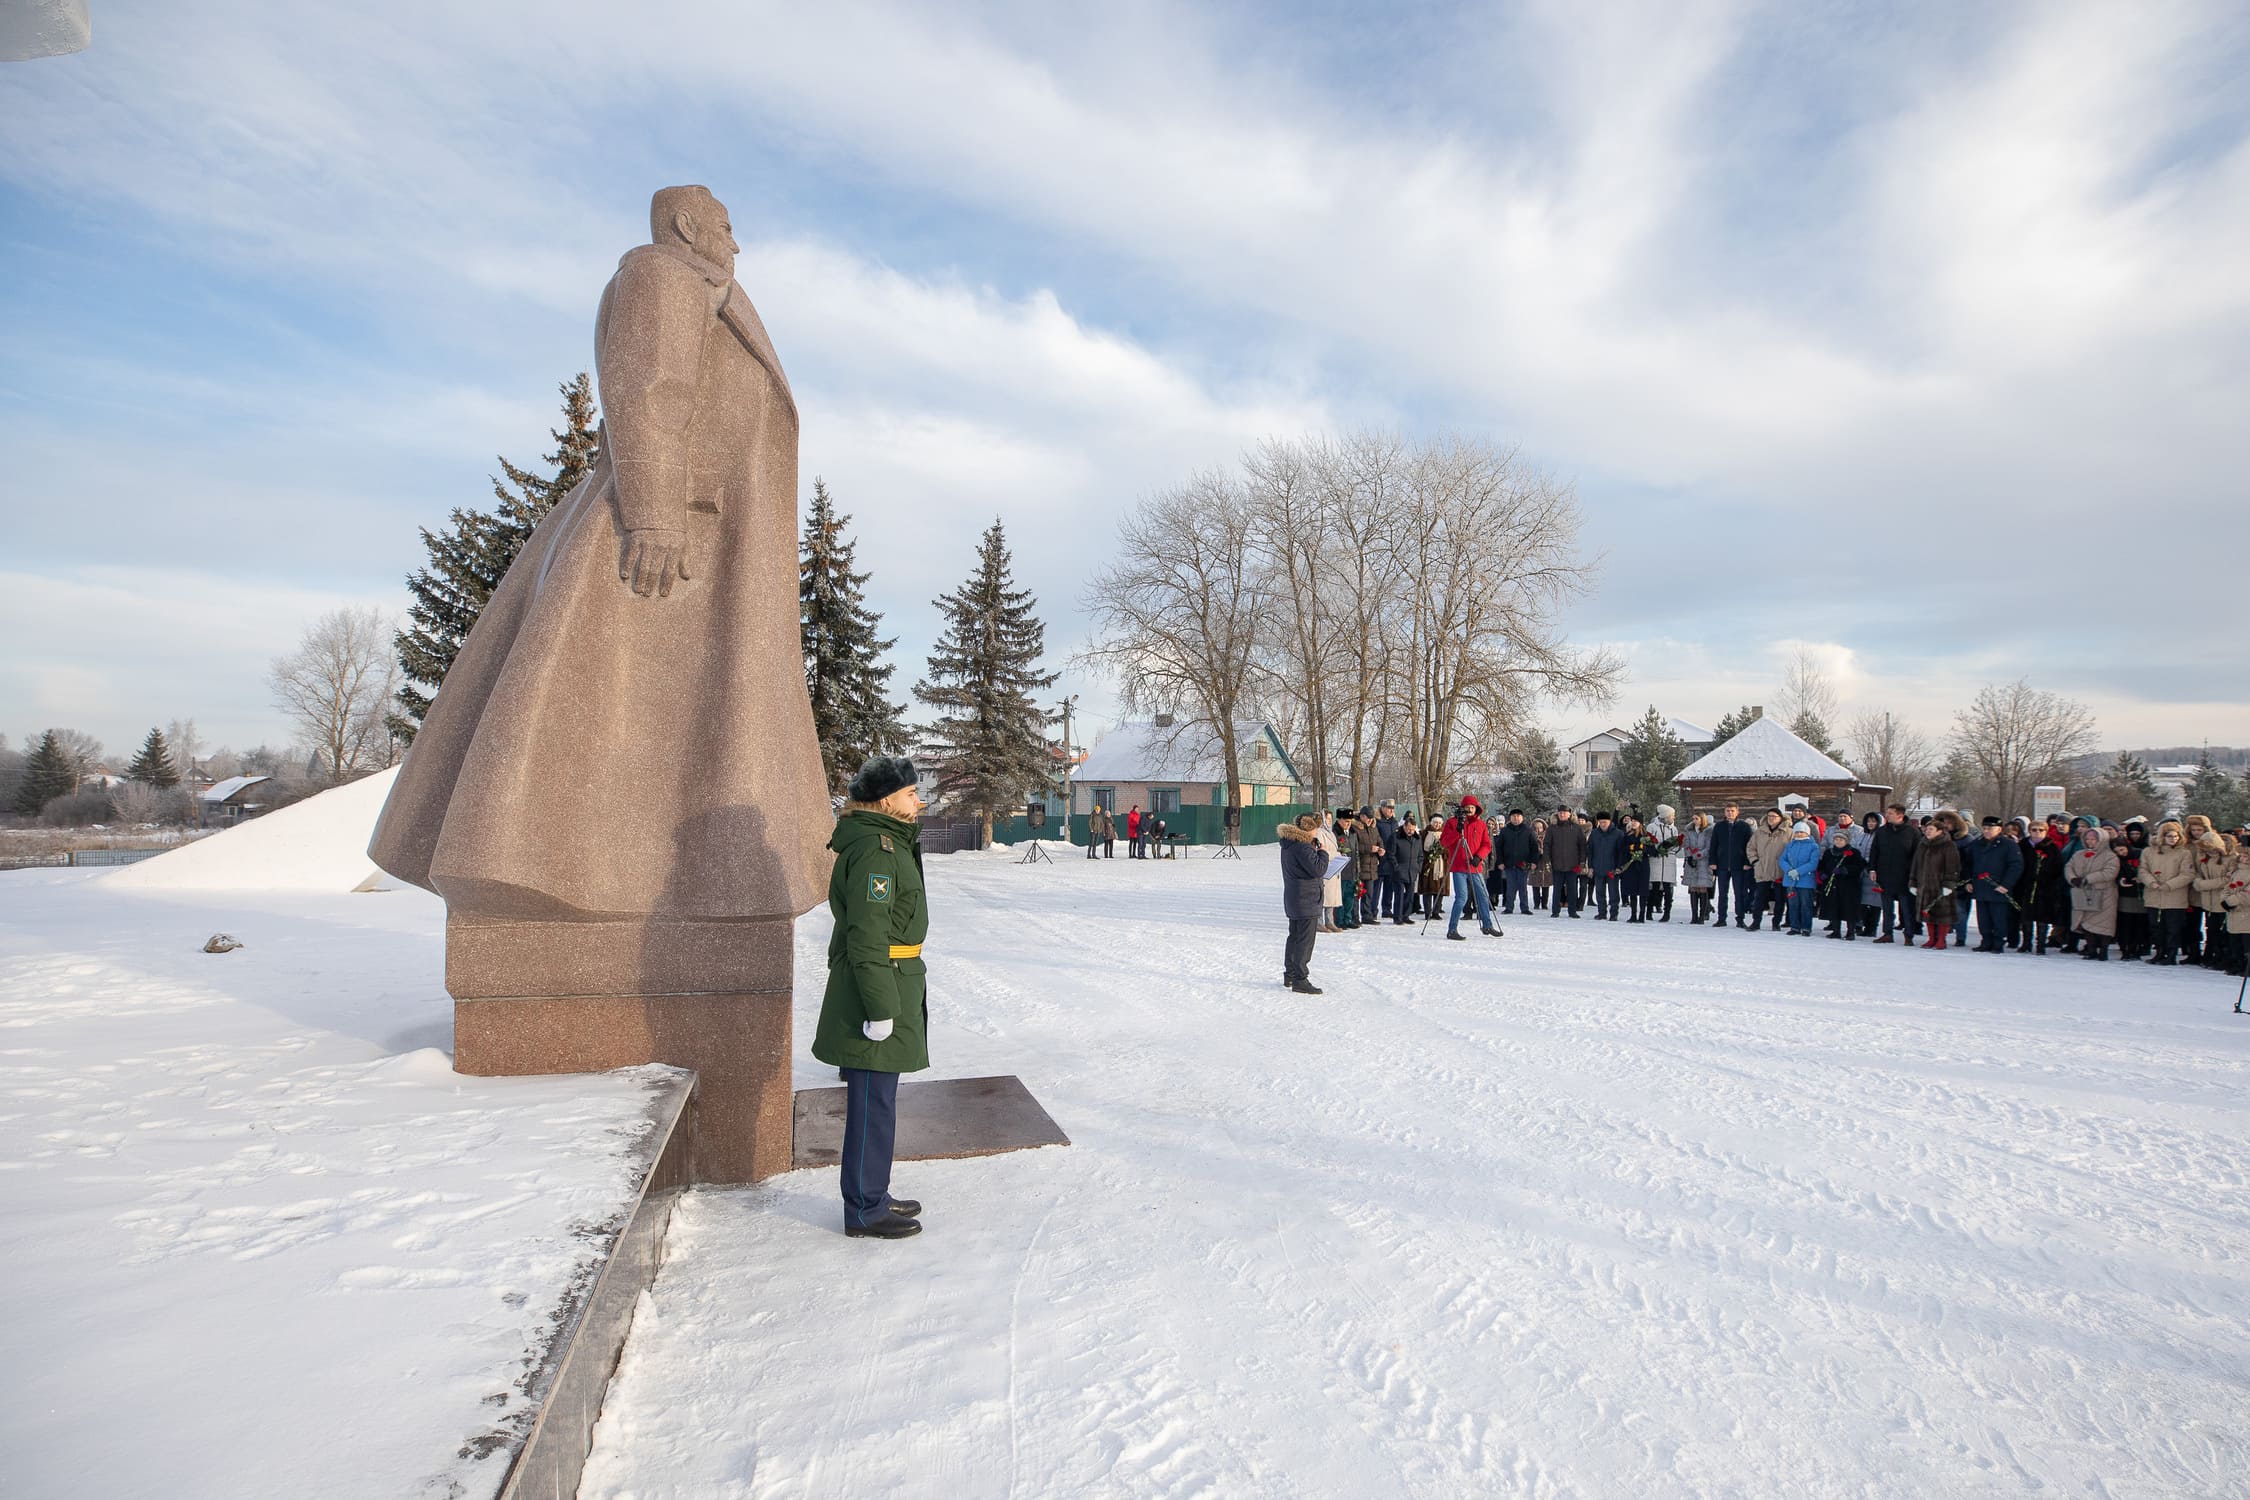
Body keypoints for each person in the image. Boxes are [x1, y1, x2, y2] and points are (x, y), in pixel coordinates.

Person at [811, 756, 930, 1241]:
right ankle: (863, 1207)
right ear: (885, 800)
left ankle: (872, 1192)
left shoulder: (887, 842)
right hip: (877, 988)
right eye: (910, 793)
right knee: (871, 1106)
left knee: (879, 1101)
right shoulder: (879, 852)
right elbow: (866, 935)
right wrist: (881, 1010)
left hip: (893, 977)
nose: (918, 800)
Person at [1277, 812, 1328, 994]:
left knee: (1294, 937)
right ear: (1309, 828)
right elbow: (1318, 869)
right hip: (1306, 899)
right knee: (1305, 941)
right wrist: (1322, 853)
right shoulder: (1303, 847)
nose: (1317, 832)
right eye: (1316, 828)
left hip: (1294, 898)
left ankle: (1290, 974)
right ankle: (1300, 979)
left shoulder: (1290, 844)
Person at [1441, 796, 1501, 940]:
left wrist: (1479, 856)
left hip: (1475, 866)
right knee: (1462, 897)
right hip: (1459, 866)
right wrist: (1457, 831)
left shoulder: (1481, 825)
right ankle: (1452, 929)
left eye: (1472, 808)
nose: (1469, 810)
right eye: (1467, 807)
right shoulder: (1452, 822)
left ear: (1476, 809)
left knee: (1483, 896)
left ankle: (1487, 925)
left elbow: (1487, 844)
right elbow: (1444, 842)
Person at [1964, 816, 2025, 953]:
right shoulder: (1977, 844)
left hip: (1999, 887)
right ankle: (1986, 941)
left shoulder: (2008, 845)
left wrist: (2006, 884)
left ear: (1999, 829)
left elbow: (2016, 866)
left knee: (1999, 918)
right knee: (1983, 918)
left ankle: (1998, 942)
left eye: (1990, 828)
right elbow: (1968, 864)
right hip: (1980, 886)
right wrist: (1969, 881)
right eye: (1984, 828)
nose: (1986, 831)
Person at [2140, 820, 2194, 965]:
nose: (2173, 839)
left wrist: (2169, 885)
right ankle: (2159, 952)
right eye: (2169, 836)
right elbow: (2143, 870)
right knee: (2156, 926)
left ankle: (2171, 954)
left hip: (2174, 896)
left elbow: (2187, 874)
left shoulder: (2184, 853)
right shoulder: (2148, 852)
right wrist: (2151, 882)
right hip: (2154, 894)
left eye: (2175, 836)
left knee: (2172, 928)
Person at [2064, 823, 2119, 960]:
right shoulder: (2078, 854)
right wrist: (2073, 879)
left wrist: (2089, 878)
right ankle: (2091, 949)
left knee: (2104, 924)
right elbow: (2068, 867)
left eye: (2093, 839)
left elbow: (2109, 873)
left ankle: (2103, 951)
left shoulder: (2110, 856)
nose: (2090, 842)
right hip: (2083, 894)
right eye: (2088, 839)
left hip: (2104, 895)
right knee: (2086, 923)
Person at [1869, 803, 1921, 944]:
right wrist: (1872, 869)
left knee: (1906, 908)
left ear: (1900, 815)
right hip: (1885, 874)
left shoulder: (1912, 832)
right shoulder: (1882, 831)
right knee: (1887, 908)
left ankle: (1909, 935)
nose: (1887, 815)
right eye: (1887, 813)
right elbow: (1874, 851)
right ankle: (1887, 933)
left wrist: (1914, 874)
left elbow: (1918, 855)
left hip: (1905, 876)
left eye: (1891, 813)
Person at [1911, 817, 1962, 950]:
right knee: (1927, 913)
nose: (1927, 832)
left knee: (1941, 914)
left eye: (1931, 830)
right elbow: (1915, 865)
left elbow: (1953, 867)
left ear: (1940, 831)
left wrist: (1949, 884)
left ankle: (1941, 940)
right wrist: (1913, 882)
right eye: (1927, 829)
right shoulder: (1923, 844)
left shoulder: (1948, 845)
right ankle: (1931, 938)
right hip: (1924, 885)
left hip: (1940, 885)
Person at [2192, 828, 2235, 971]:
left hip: (2222, 899)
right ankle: (2210, 955)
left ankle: (2221, 957)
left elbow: (2228, 879)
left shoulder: (2230, 858)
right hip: (2207, 900)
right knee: (2210, 929)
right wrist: (2200, 883)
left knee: (2221, 931)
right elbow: (2198, 875)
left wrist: (2205, 885)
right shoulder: (2203, 858)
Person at [1816, 827, 1865, 940]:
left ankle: (1850, 931)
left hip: (1848, 886)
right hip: (1832, 884)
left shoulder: (1853, 852)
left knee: (1849, 908)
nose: (1838, 842)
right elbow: (1822, 865)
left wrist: (1845, 870)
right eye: (1836, 839)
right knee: (1834, 907)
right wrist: (1823, 873)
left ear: (1846, 841)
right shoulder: (1829, 852)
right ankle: (1836, 930)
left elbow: (1859, 866)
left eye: (1841, 839)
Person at [1709, 803, 1754, 929]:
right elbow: (1713, 845)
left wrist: (1747, 862)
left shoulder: (1744, 827)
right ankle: (1721, 918)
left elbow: (1749, 846)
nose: (1730, 813)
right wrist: (1712, 861)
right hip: (1722, 864)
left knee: (1740, 893)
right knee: (1722, 893)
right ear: (1724, 812)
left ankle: (1740, 919)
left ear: (1737, 812)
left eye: (1732, 811)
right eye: (1728, 811)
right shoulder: (1719, 826)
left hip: (1739, 865)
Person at [1748, 810, 1791, 933]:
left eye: (1774, 816)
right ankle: (1756, 921)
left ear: (1780, 818)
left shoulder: (1788, 832)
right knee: (1759, 897)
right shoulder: (1759, 832)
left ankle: (1776, 922)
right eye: (1769, 816)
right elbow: (1751, 848)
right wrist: (1755, 861)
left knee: (1780, 898)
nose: (1771, 818)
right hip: (1763, 868)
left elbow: (1792, 850)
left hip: (1780, 870)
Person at [1779, 820, 1821, 935]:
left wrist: (1798, 871)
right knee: (1793, 905)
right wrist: (1789, 870)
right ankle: (1794, 926)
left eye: (1802, 832)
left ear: (1807, 833)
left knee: (1806, 905)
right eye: (1797, 832)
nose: (1799, 834)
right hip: (1791, 880)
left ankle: (1806, 927)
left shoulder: (1813, 847)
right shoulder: (1790, 845)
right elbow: (1782, 859)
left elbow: (1813, 863)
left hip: (1805, 881)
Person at [1546, 806, 1589, 918]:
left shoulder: (1576, 828)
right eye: (1560, 812)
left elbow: (1582, 846)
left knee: (1572, 889)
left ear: (1570, 814)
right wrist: (1547, 860)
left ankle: (1572, 911)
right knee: (1557, 889)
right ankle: (1555, 911)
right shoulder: (1552, 828)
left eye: (1565, 813)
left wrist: (1582, 861)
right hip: (1557, 864)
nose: (1562, 814)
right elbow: (1547, 845)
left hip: (1573, 864)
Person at [2114, 825, 2148, 960]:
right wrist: (2119, 879)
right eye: (2117, 851)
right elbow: (2115, 872)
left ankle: (2137, 947)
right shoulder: (2117, 859)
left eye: (2122, 850)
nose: (2120, 853)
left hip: (2140, 894)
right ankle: (2125, 948)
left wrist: (2142, 878)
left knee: (2139, 923)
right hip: (2125, 894)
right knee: (2125, 923)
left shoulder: (2140, 854)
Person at [1495, 808, 1538, 915]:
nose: (1516, 818)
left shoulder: (1528, 830)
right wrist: (1500, 862)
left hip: (1524, 863)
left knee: (1523, 887)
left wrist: (1534, 862)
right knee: (1510, 887)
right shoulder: (1505, 831)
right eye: (1514, 816)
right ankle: (1509, 907)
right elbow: (1498, 848)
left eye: (1518, 816)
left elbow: (1534, 847)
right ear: (1510, 818)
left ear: (1522, 818)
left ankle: (1524, 907)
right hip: (1509, 863)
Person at [1587, 810, 1626, 921]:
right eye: (1601, 822)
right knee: (1599, 892)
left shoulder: (1618, 834)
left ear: (1609, 822)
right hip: (1598, 867)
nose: (1603, 824)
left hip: (1612, 869)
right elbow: (1590, 851)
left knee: (1613, 893)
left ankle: (1614, 914)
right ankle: (1601, 913)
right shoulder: (1594, 833)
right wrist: (1590, 866)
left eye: (1605, 822)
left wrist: (1619, 867)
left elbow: (1621, 852)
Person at [1385, 813, 1424, 925]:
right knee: (1399, 895)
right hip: (1399, 871)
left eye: (1412, 829)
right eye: (1408, 829)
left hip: (1412, 871)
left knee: (1410, 895)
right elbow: (1390, 854)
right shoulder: (1395, 837)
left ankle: (1406, 915)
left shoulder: (1417, 839)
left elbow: (1421, 855)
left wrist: (1418, 867)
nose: (1410, 831)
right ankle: (1398, 917)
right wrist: (1396, 867)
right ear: (1404, 827)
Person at [1646, 804, 1681, 922]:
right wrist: (1654, 849)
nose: (1673, 818)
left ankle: (1667, 913)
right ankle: (1649, 911)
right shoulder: (1652, 827)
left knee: (1668, 889)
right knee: (1654, 888)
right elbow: (1647, 842)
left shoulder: (1673, 829)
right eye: (1672, 815)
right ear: (1665, 816)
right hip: (1656, 860)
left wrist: (1671, 846)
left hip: (1668, 861)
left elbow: (1677, 845)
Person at [1682, 812, 1715, 924]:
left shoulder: (1708, 832)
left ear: (1702, 819)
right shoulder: (1690, 832)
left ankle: (1702, 915)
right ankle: (1694, 915)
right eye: (1693, 818)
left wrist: (1697, 855)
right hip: (1691, 863)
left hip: (1703, 863)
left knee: (1702, 888)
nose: (1694, 820)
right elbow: (1686, 845)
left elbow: (1708, 847)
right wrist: (1689, 856)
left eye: (1696, 818)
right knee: (1693, 888)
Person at [1619, 814, 1653, 922]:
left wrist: (1644, 850)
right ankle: (1633, 915)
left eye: (1636, 821)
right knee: (1632, 891)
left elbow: (1652, 851)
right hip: (1631, 866)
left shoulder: (1646, 836)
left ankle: (1642, 915)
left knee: (1642, 891)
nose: (1633, 823)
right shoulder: (1628, 835)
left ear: (1640, 823)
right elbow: (1622, 850)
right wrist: (1630, 849)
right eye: (1632, 821)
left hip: (1643, 866)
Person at [1315, 811, 1344, 932]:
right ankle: (1319, 922)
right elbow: (1322, 849)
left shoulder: (1330, 833)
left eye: (1331, 819)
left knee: (1331, 897)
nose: (1329, 821)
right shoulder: (1319, 833)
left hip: (1333, 868)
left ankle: (1330, 921)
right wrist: (1336, 855)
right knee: (1323, 897)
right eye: (1327, 818)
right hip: (1325, 867)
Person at [1419, 815, 1450, 919]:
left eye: (1439, 823)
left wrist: (1443, 851)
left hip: (1442, 864)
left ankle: (1436, 911)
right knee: (1428, 889)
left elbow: (1449, 849)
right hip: (1428, 864)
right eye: (1435, 822)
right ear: (1431, 823)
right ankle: (1428, 912)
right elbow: (1421, 849)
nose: (1437, 825)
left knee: (1440, 889)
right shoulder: (1424, 834)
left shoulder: (1445, 834)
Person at [1529, 817, 1552, 913]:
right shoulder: (1530, 836)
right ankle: (1536, 903)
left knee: (1546, 884)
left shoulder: (1548, 836)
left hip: (1546, 862)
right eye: (1536, 828)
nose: (1538, 830)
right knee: (1535, 885)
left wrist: (1545, 852)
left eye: (1540, 828)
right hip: (1535, 862)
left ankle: (1545, 903)